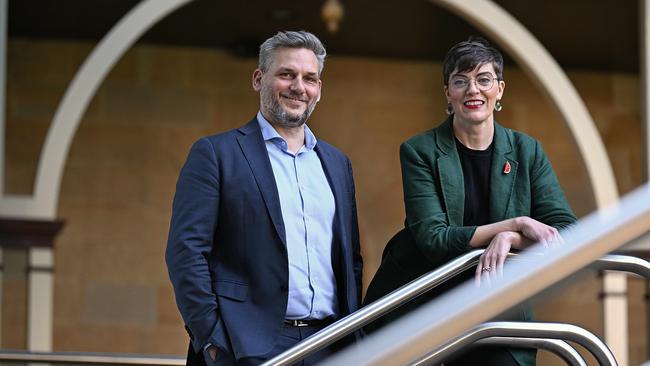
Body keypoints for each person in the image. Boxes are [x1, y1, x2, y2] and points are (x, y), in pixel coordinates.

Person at [363, 37, 576, 366]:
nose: (473, 90)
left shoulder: (526, 151)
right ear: (448, 93)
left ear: (500, 89)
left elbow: (565, 230)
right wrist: (515, 223)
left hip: (497, 309)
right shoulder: (419, 151)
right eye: (460, 81)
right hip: (426, 308)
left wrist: (510, 238)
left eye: (483, 79)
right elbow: (434, 238)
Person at [166, 30, 363, 366]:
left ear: (319, 90)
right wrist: (213, 341)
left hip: (330, 343)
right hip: (247, 348)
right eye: (286, 74)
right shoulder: (217, 154)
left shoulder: (337, 164)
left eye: (309, 78)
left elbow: (350, 260)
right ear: (259, 79)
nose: (299, 86)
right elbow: (186, 253)